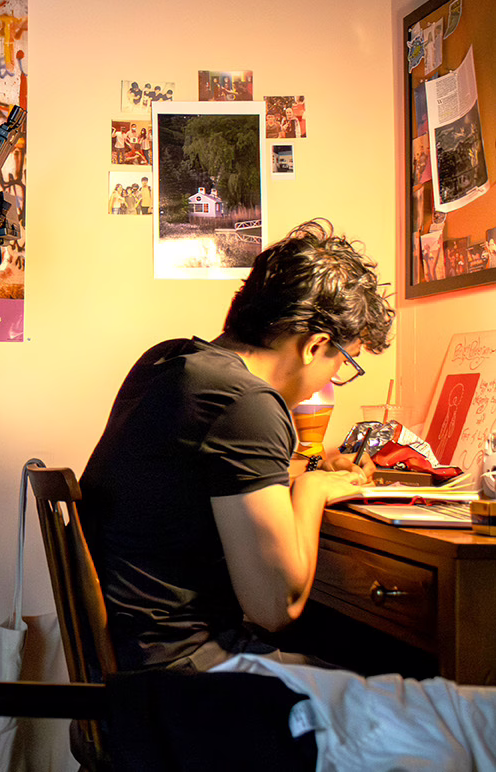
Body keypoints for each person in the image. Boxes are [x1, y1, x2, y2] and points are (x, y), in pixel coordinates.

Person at [80, 219, 393, 673]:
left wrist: (308, 468)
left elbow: (206, 485)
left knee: (352, 645)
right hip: (182, 678)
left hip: (133, 661)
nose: (333, 379)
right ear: (315, 345)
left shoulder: (169, 360)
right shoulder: (246, 402)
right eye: (344, 363)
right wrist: (313, 492)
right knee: (396, 675)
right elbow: (275, 608)